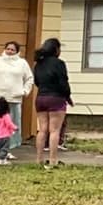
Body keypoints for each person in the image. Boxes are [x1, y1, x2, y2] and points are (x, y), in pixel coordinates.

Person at [0, 39, 33, 161]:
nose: (10, 51)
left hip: (14, 98)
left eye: (13, 50)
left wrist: (25, 91)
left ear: (17, 51)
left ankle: (6, 150)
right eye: (8, 49)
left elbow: (29, 78)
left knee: (11, 125)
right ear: (4, 49)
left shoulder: (22, 63)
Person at [32, 38, 71, 169]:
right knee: (54, 130)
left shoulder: (38, 64)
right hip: (56, 98)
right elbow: (63, 83)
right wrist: (68, 96)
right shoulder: (59, 63)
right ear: (56, 49)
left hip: (41, 98)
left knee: (42, 130)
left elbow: (36, 81)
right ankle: (53, 160)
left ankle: (39, 159)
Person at [0, 97, 16, 165]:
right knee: (4, 148)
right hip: (5, 136)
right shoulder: (6, 116)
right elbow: (9, 124)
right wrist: (15, 128)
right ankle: (2, 160)